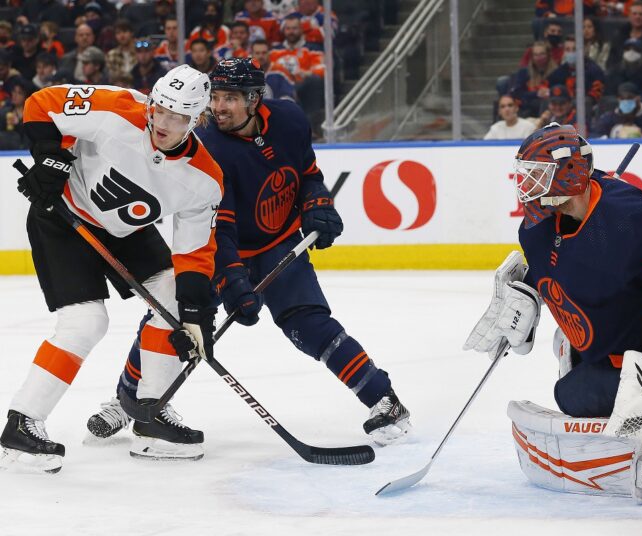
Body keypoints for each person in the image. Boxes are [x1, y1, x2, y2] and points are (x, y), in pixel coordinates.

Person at [86, 58, 413, 447]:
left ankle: (384, 400)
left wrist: (317, 202)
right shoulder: (208, 148)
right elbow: (217, 228)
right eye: (215, 97)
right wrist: (232, 281)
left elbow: (307, 173)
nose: (218, 107)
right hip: (214, 251)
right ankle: (129, 400)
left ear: (255, 99)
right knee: (176, 321)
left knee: (309, 323)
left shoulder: (290, 119)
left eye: (230, 98)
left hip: (278, 244)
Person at [465, 122, 642, 500]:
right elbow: (559, 256)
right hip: (603, 347)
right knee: (573, 387)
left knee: (571, 394)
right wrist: (531, 286)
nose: (526, 185)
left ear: (568, 175)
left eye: (537, 175)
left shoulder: (629, 222)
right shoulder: (538, 224)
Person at [0, 64, 224, 472]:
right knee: (85, 323)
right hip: (63, 215)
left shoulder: (205, 180)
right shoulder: (117, 108)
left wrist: (193, 312)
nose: (163, 123)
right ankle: (22, 426)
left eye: (178, 118)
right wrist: (50, 160)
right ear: (151, 103)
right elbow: (41, 103)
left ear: (197, 120)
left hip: (126, 231)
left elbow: (194, 254)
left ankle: (149, 414)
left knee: (174, 299)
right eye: (160, 110)